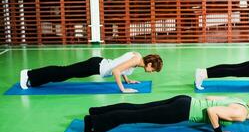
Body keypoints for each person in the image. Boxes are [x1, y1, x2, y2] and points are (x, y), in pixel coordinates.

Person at [83, 94, 249, 132]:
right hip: (182, 111)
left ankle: (97, 111)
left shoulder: (240, 102)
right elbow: (212, 111)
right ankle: (94, 123)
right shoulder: (241, 114)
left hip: (184, 100)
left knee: (138, 107)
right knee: (136, 116)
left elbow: (210, 99)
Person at [20, 52, 163, 93]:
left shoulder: (138, 58)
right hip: (95, 66)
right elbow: (116, 70)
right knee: (63, 72)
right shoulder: (136, 60)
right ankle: (29, 74)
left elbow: (122, 66)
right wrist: (123, 89)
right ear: (149, 64)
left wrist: (128, 80)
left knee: (63, 75)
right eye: (153, 70)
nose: (152, 72)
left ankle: (34, 80)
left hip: (96, 65)